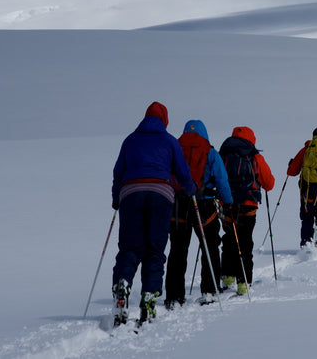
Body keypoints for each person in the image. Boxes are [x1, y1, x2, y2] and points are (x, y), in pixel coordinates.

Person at [111, 102, 197, 326]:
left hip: (130, 193)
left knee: (130, 247)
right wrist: (190, 189)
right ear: (165, 120)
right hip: (161, 194)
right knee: (154, 249)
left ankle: (122, 283)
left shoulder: (130, 140)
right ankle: (149, 295)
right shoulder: (169, 141)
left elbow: (119, 171)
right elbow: (182, 172)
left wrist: (116, 197)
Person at [164, 120, 233, 308]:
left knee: (178, 248)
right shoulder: (210, 152)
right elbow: (222, 180)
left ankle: (173, 295)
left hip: (179, 204)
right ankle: (210, 290)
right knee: (209, 246)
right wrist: (228, 202)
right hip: (204, 206)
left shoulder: (175, 149)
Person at [218, 126, 275, 295]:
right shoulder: (255, 156)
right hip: (249, 206)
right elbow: (269, 184)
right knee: (245, 241)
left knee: (229, 239)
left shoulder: (223, 154)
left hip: (227, 205)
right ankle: (244, 282)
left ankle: (227, 276)